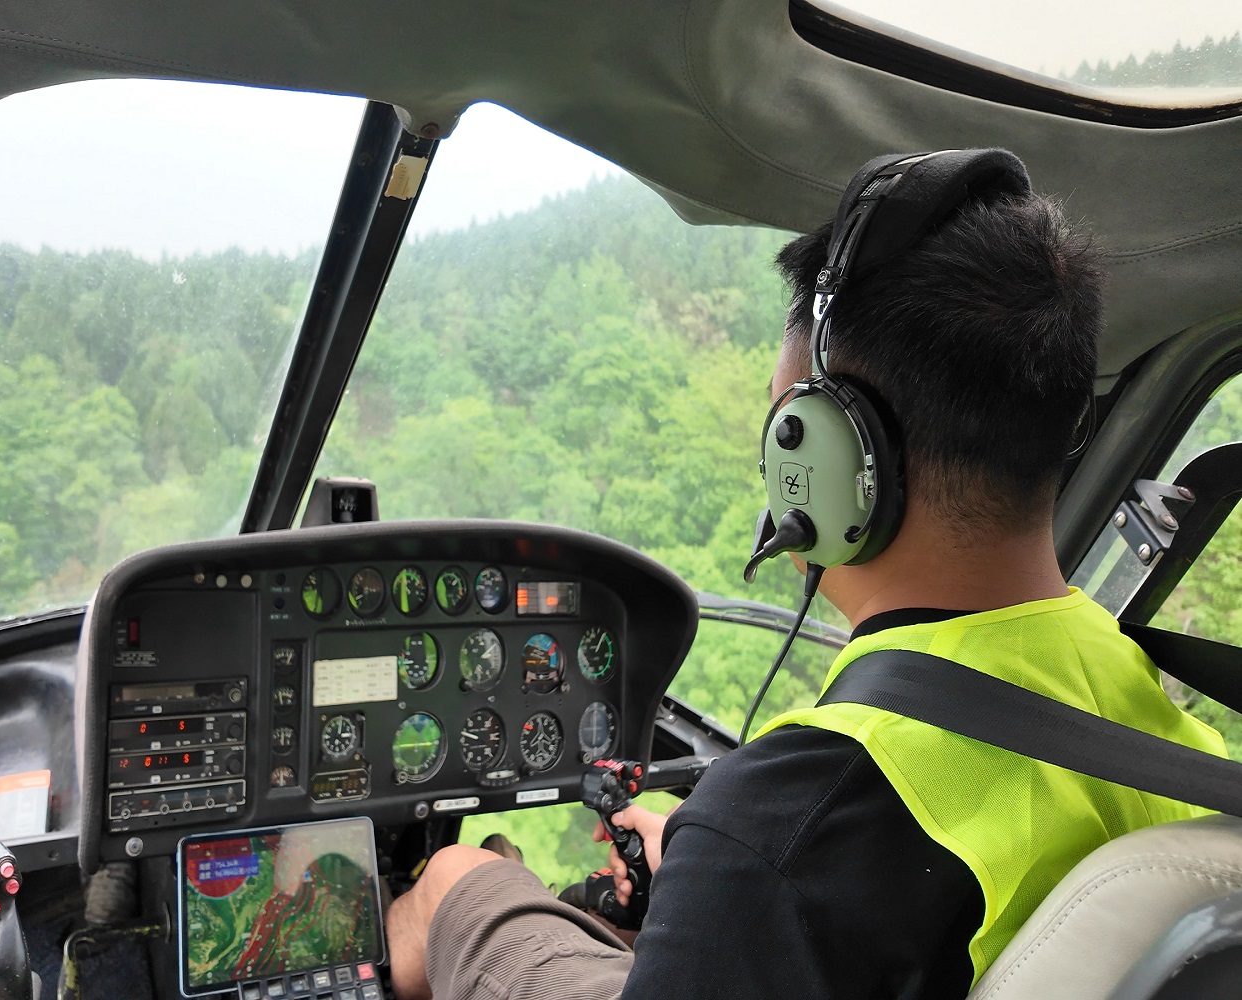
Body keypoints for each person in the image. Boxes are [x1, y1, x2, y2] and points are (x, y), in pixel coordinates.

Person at [384, 151, 1228, 1000]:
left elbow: (827, 854)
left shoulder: (799, 818)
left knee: (459, 880)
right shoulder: (1148, 705)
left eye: (783, 419)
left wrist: (743, 854)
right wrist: (717, 860)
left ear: (822, 458)